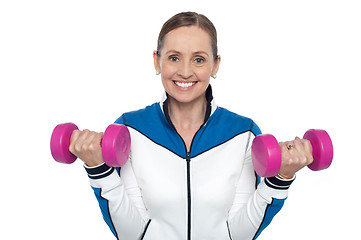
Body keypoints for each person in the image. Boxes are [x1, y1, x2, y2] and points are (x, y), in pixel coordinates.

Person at [69, 12, 313, 240]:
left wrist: (282, 177)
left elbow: (239, 234)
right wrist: (98, 168)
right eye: (174, 58)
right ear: (157, 62)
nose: (185, 72)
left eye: (198, 59)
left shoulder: (244, 134)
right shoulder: (130, 129)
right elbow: (133, 234)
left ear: (215, 65)